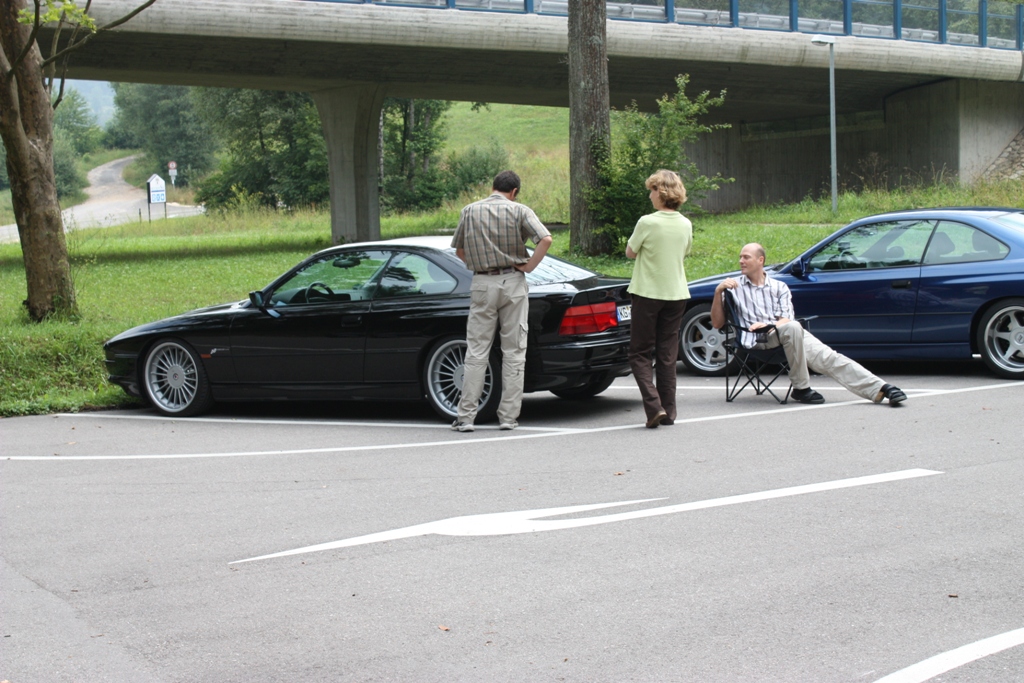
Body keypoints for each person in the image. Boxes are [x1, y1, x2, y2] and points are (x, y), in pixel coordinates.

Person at [710, 243, 907, 406]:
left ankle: (881, 388)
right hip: (757, 340)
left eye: (746, 257)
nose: (741, 261)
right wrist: (718, 292)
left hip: (784, 333)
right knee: (794, 328)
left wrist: (768, 325)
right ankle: (801, 387)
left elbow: (786, 319)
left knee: (830, 358)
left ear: (760, 260)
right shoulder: (733, 287)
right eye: (740, 257)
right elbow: (718, 323)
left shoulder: (779, 287)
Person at [450, 170, 553, 432]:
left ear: (493, 186)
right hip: (513, 282)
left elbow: (459, 250)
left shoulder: (469, 211)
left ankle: (466, 417)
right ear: (514, 191)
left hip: (482, 283)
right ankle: (508, 417)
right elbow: (545, 239)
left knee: (477, 351)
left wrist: (479, 264)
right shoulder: (520, 211)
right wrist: (528, 266)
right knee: (514, 351)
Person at [625, 169, 694, 428]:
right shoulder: (685, 224)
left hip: (647, 292)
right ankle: (670, 411)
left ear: (661, 192)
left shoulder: (647, 222)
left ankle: (654, 407)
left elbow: (631, 252)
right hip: (676, 293)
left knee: (639, 353)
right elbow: (684, 252)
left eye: (652, 190)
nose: (650, 195)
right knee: (667, 353)